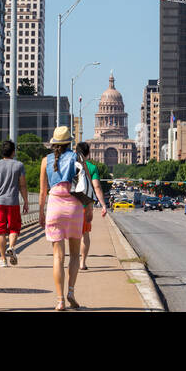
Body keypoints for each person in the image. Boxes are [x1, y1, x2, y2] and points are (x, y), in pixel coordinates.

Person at [40, 126, 83, 310]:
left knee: (58, 256)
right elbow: (84, 185)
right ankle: (71, 291)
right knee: (74, 254)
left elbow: (43, 192)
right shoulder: (77, 158)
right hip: (74, 207)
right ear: (69, 143)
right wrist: (88, 209)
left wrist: (42, 212)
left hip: (55, 206)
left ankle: (60, 301)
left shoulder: (45, 161)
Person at [0, 139, 29, 266]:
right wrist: (26, 201)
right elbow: (22, 185)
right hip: (13, 202)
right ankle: (11, 247)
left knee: (0, 231)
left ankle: (2, 259)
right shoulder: (19, 165)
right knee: (14, 228)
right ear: (13, 152)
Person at [75, 141, 110, 270]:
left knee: (71, 235)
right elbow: (96, 187)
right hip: (84, 205)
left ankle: (68, 260)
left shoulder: (68, 165)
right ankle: (82, 263)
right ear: (88, 154)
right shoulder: (91, 167)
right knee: (85, 234)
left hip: (69, 205)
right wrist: (103, 205)